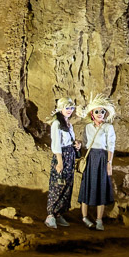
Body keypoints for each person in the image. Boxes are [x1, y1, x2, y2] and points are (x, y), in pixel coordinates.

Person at [77, 95, 116, 230]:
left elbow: (111, 145)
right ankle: (84, 217)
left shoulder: (108, 127)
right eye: (97, 111)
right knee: (87, 185)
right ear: (92, 114)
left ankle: (99, 220)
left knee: (101, 187)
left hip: (101, 158)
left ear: (105, 114)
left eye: (102, 111)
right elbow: (85, 144)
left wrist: (109, 162)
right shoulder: (88, 127)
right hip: (90, 157)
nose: (100, 114)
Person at [45, 98, 79, 229]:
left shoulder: (68, 123)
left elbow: (70, 140)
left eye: (71, 108)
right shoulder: (56, 124)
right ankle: (50, 215)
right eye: (67, 108)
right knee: (57, 184)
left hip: (70, 155)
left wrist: (77, 144)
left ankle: (59, 213)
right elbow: (56, 144)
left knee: (67, 185)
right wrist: (60, 162)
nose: (70, 111)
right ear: (60, 109)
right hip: (62, 156)